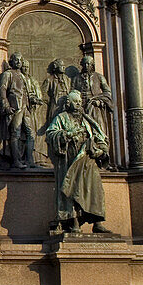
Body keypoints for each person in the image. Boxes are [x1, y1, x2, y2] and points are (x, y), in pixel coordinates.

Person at [46, 90, 108, 233]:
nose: (79, 104)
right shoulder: (61, 118)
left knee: (95, 191)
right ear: (68, 103)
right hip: (70, 161)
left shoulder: (87, 120)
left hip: (88, 161)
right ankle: (73, 222)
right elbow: (50, 134)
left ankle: (97, 222)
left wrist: (100, 149)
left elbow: (100, 136)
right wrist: (66, 135)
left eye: (80, 102)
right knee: (71, 191)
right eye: (75, 102)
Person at [0, 52, 35, 168]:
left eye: (20, 60)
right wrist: (6, 106)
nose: (19, 62)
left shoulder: (23, 76)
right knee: (15, 133)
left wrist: (32, 99)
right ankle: (16, 160)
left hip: (26, 107)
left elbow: (26, 91)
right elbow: (2, 90)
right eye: (16, 60)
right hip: (15, 107)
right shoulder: (8, 74)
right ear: (11, 62)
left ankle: (29, 159)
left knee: (30, 133)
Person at [72, 55, 113, 147]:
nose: (86, 66)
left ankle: (99, 144)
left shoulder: (99, 77)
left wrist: (99, 101)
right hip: (81, 106)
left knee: (97, 126)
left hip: (95, 107)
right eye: (84, 64)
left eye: (88, 64)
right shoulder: (76, 78)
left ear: (92, 65)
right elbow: (72, 91)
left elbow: (107, 92)